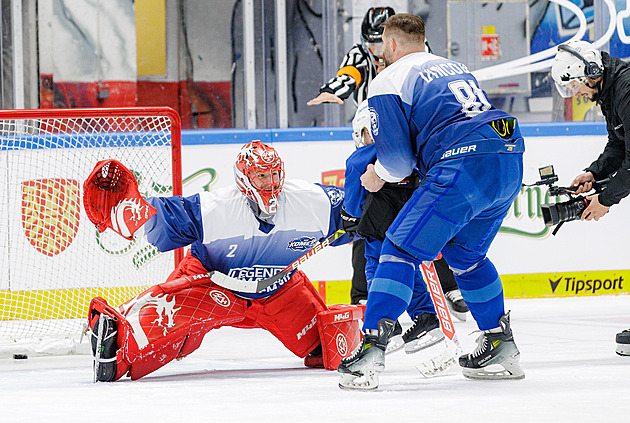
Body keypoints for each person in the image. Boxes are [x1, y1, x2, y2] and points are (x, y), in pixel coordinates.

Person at [338, 13, 526, 390]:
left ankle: (371, 350)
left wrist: (375, 176)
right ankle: (499, 342)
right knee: (466, 257)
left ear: (390, 44)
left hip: (463, 161)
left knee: (397, 248)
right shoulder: (454, 67)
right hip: (508, 156)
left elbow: (397, 162)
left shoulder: (387, 79)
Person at [84, 141, 357, 382]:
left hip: (280, 290)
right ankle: (112, 337)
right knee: (161, 337)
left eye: (274, 175)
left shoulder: (314, 201)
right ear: (245, 180)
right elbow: (165, 218)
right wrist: (128, 208)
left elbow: (362, 213)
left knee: (328, 349)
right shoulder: (216, 208)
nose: (270, 184)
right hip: (213, 285)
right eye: (261, 177)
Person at [342, 100, 444, 355]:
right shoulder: (412, 151)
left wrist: (351, 218)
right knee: (405, 268)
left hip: (381, 222)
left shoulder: (362, 156)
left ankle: (385, 324)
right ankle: (426, 317)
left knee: (376, 268)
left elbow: (354, 201)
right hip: (411, 220)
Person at [550, 39, 630, 357]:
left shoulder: (625, 89)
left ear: (591, 73)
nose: (579, 95)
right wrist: (594, 174)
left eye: (577, 87)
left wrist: (606, 200)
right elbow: (618, 143)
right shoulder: (610, 89)